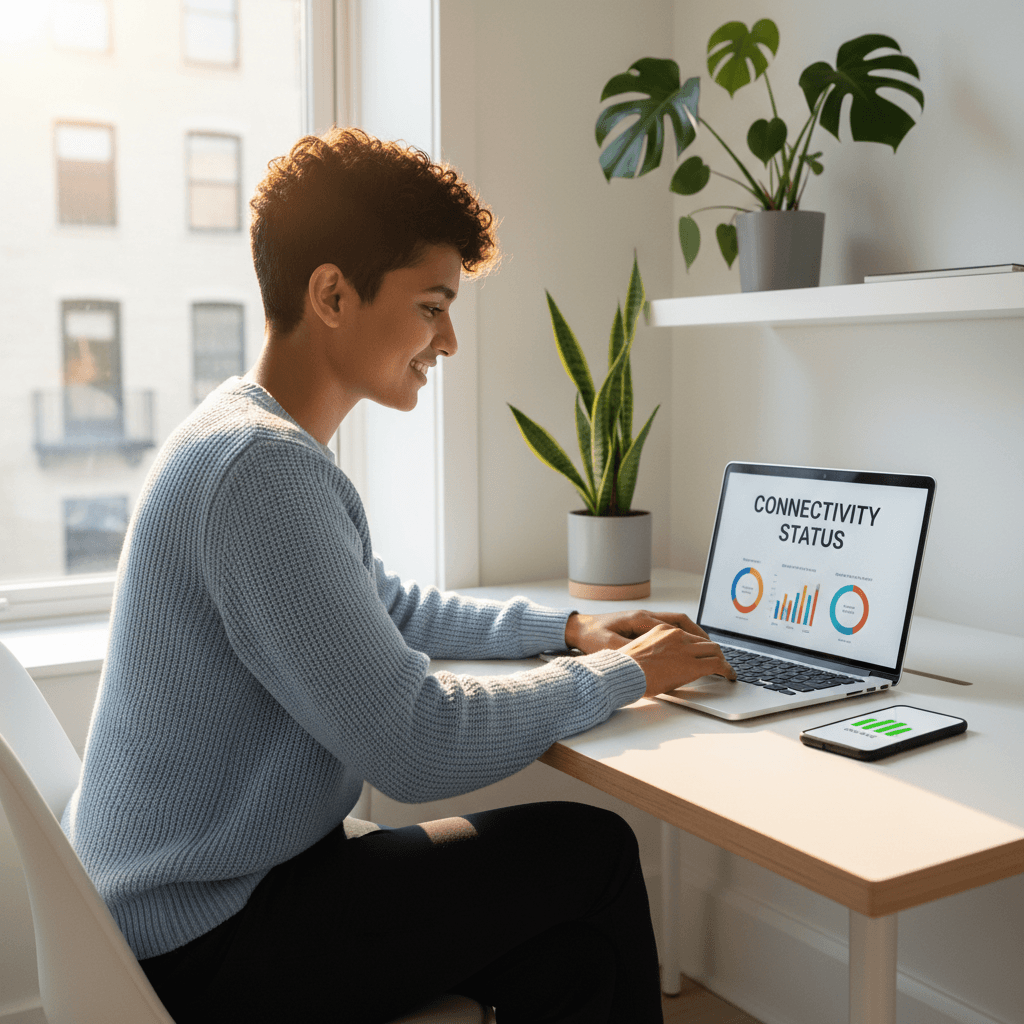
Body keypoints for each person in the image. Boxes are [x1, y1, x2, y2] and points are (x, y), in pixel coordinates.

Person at [62, 127, 735, 1023]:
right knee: (596, 852)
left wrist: (566, 632)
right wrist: (624, 673)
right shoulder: (260, 473)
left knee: (569, 948)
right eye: (431, 305)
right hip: (207, 940)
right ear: (333, 294)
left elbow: (380, 606)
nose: (448, 339)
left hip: (203, 898)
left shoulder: (247, 440)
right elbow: (414, 742)